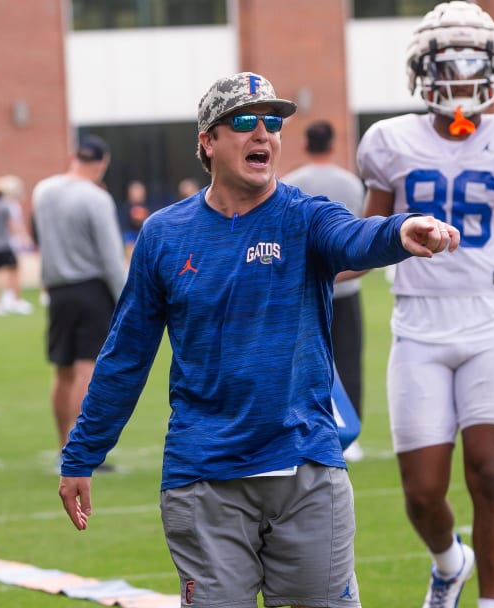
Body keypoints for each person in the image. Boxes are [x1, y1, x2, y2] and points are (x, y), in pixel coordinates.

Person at [58, 71, 461, 608]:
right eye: (244, 122)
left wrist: (400, 231)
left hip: (305, 467)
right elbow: (126, 355)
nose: (263, 134)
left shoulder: (304, 215)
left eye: (272, 123)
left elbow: (354, 236)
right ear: (207, 141)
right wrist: (82, 454)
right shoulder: (163, 234)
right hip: (203, 477)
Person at [356, 3, 494, 607]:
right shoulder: (389, 141)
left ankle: (492, 604)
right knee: (421, 492)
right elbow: (363, 238)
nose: (462, 80)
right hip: (417, 319)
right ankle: (450, 564)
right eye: (448, 66)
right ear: (422, 70)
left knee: (489, 470)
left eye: (475, 66)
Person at [32, 134, 125, 462]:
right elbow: (111, 257)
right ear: (102, 163)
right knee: (87, 368)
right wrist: (126, 299)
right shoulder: (96, 198)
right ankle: (80, 450)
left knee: (63, 370)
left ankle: (63, 445)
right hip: (91, 289)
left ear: (75, 156)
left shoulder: (43, 190)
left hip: (57, 290)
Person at [283, 120, 368, 462]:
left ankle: (304, 430)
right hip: (345, 288)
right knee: (348, 362)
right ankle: (351, 436)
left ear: (305, 145)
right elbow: (363, 237)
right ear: (333, 145)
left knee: (301, 363)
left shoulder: (290, 183)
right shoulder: (351, 184)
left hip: (303, 292)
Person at [0, 175, 33, 316]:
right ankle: (15, 300)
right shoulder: (6, 207)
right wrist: (24, 238)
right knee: (14, 273)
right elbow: (12, 225)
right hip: (6, 244)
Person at [122, 180, 150, 258]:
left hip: (143, 235)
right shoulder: (127, 207)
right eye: (135, 191)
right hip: (130, 236)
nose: (138, 193)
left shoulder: (147, 206)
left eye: (139, 191)